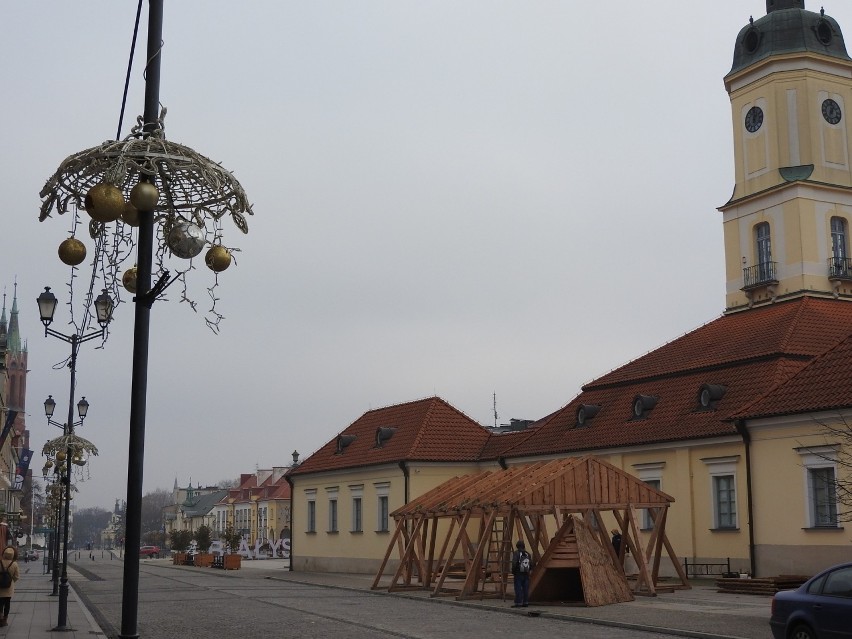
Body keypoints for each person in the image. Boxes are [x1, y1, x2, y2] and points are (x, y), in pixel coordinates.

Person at [0, 546, 20, 627]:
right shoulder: (14, 564)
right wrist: (11, 582)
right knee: (7, 604)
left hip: (0, 587)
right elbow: (17, 576)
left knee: (0, 603)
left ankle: (0, 619)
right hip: (9, 588)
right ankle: (5, 620)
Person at [511, 539, 531, 607]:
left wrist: (513, 571)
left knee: (518, 588)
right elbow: (531, 564)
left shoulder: (516, 553)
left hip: (518, 573)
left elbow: (514, 563)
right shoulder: (527, 554)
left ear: (517, 546)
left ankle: (518, 603)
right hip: (526, 573)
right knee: (525, 589)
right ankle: (525, 602)